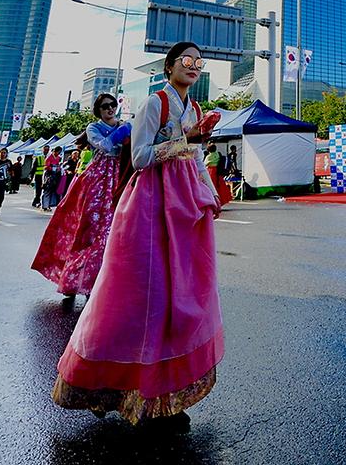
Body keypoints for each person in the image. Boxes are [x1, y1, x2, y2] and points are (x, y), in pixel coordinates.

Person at [52, 42, 223, 431]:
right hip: (149, 204)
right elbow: (141, 157)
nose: (194, 67)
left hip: (185, 206)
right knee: (140, 298)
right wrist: (186, 140)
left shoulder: (194, 109)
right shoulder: (154, 104)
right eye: (187, 61)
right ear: (169, 67)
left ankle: (166, 397)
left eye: (199, 62)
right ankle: (108, 386)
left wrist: (209, 192)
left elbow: (195, 160)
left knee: (180, 298)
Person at [31, 94, 130, 300]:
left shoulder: (125, 125)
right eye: (105, 106)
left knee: (115, 232)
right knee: (88, 231)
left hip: (120, 180)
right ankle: (76, 280)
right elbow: (104, 146)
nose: (110, 108)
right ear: (98, 110)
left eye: (113, 104)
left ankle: (104, 283)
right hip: (96, 182)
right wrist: (122, 132)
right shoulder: (93, 128)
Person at [42, 147, 65, 211]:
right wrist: (52, 168)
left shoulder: (58, 158)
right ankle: (45, 205)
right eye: (58, 152)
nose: (58, 154)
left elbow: (58, 165)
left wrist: (58, 168)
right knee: (47, 190)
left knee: (53, 191)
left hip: (55, 176)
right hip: (48, 175)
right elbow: (46, 167)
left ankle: (49, 205)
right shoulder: (49, 157)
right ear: (55, 151)